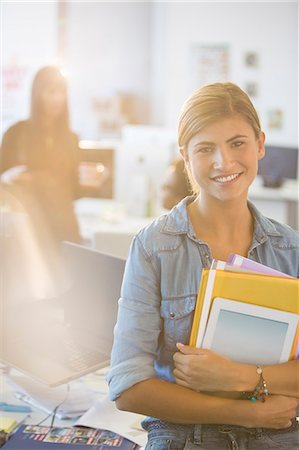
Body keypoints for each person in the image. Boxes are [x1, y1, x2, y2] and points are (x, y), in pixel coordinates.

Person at [107, 82, 299, 449]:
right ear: (185, 155)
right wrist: (248, 412)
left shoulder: (292, 250)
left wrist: (240, 376)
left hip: (280, 435)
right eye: (205, 148)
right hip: (185, 436)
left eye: (237, 143)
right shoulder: (154, 247)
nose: (223, 163)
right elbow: (128, 387)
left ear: (260, 144)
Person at [0, 66, 82, 245]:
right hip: (26, 230)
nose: (56, 98)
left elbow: (74, 191)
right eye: (50, 91)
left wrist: (90, 181)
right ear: (37, 94)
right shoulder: (15, 134)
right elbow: (3, 180)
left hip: (64, 228)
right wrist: (6, 177)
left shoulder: (71, 138)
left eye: (61, 92)